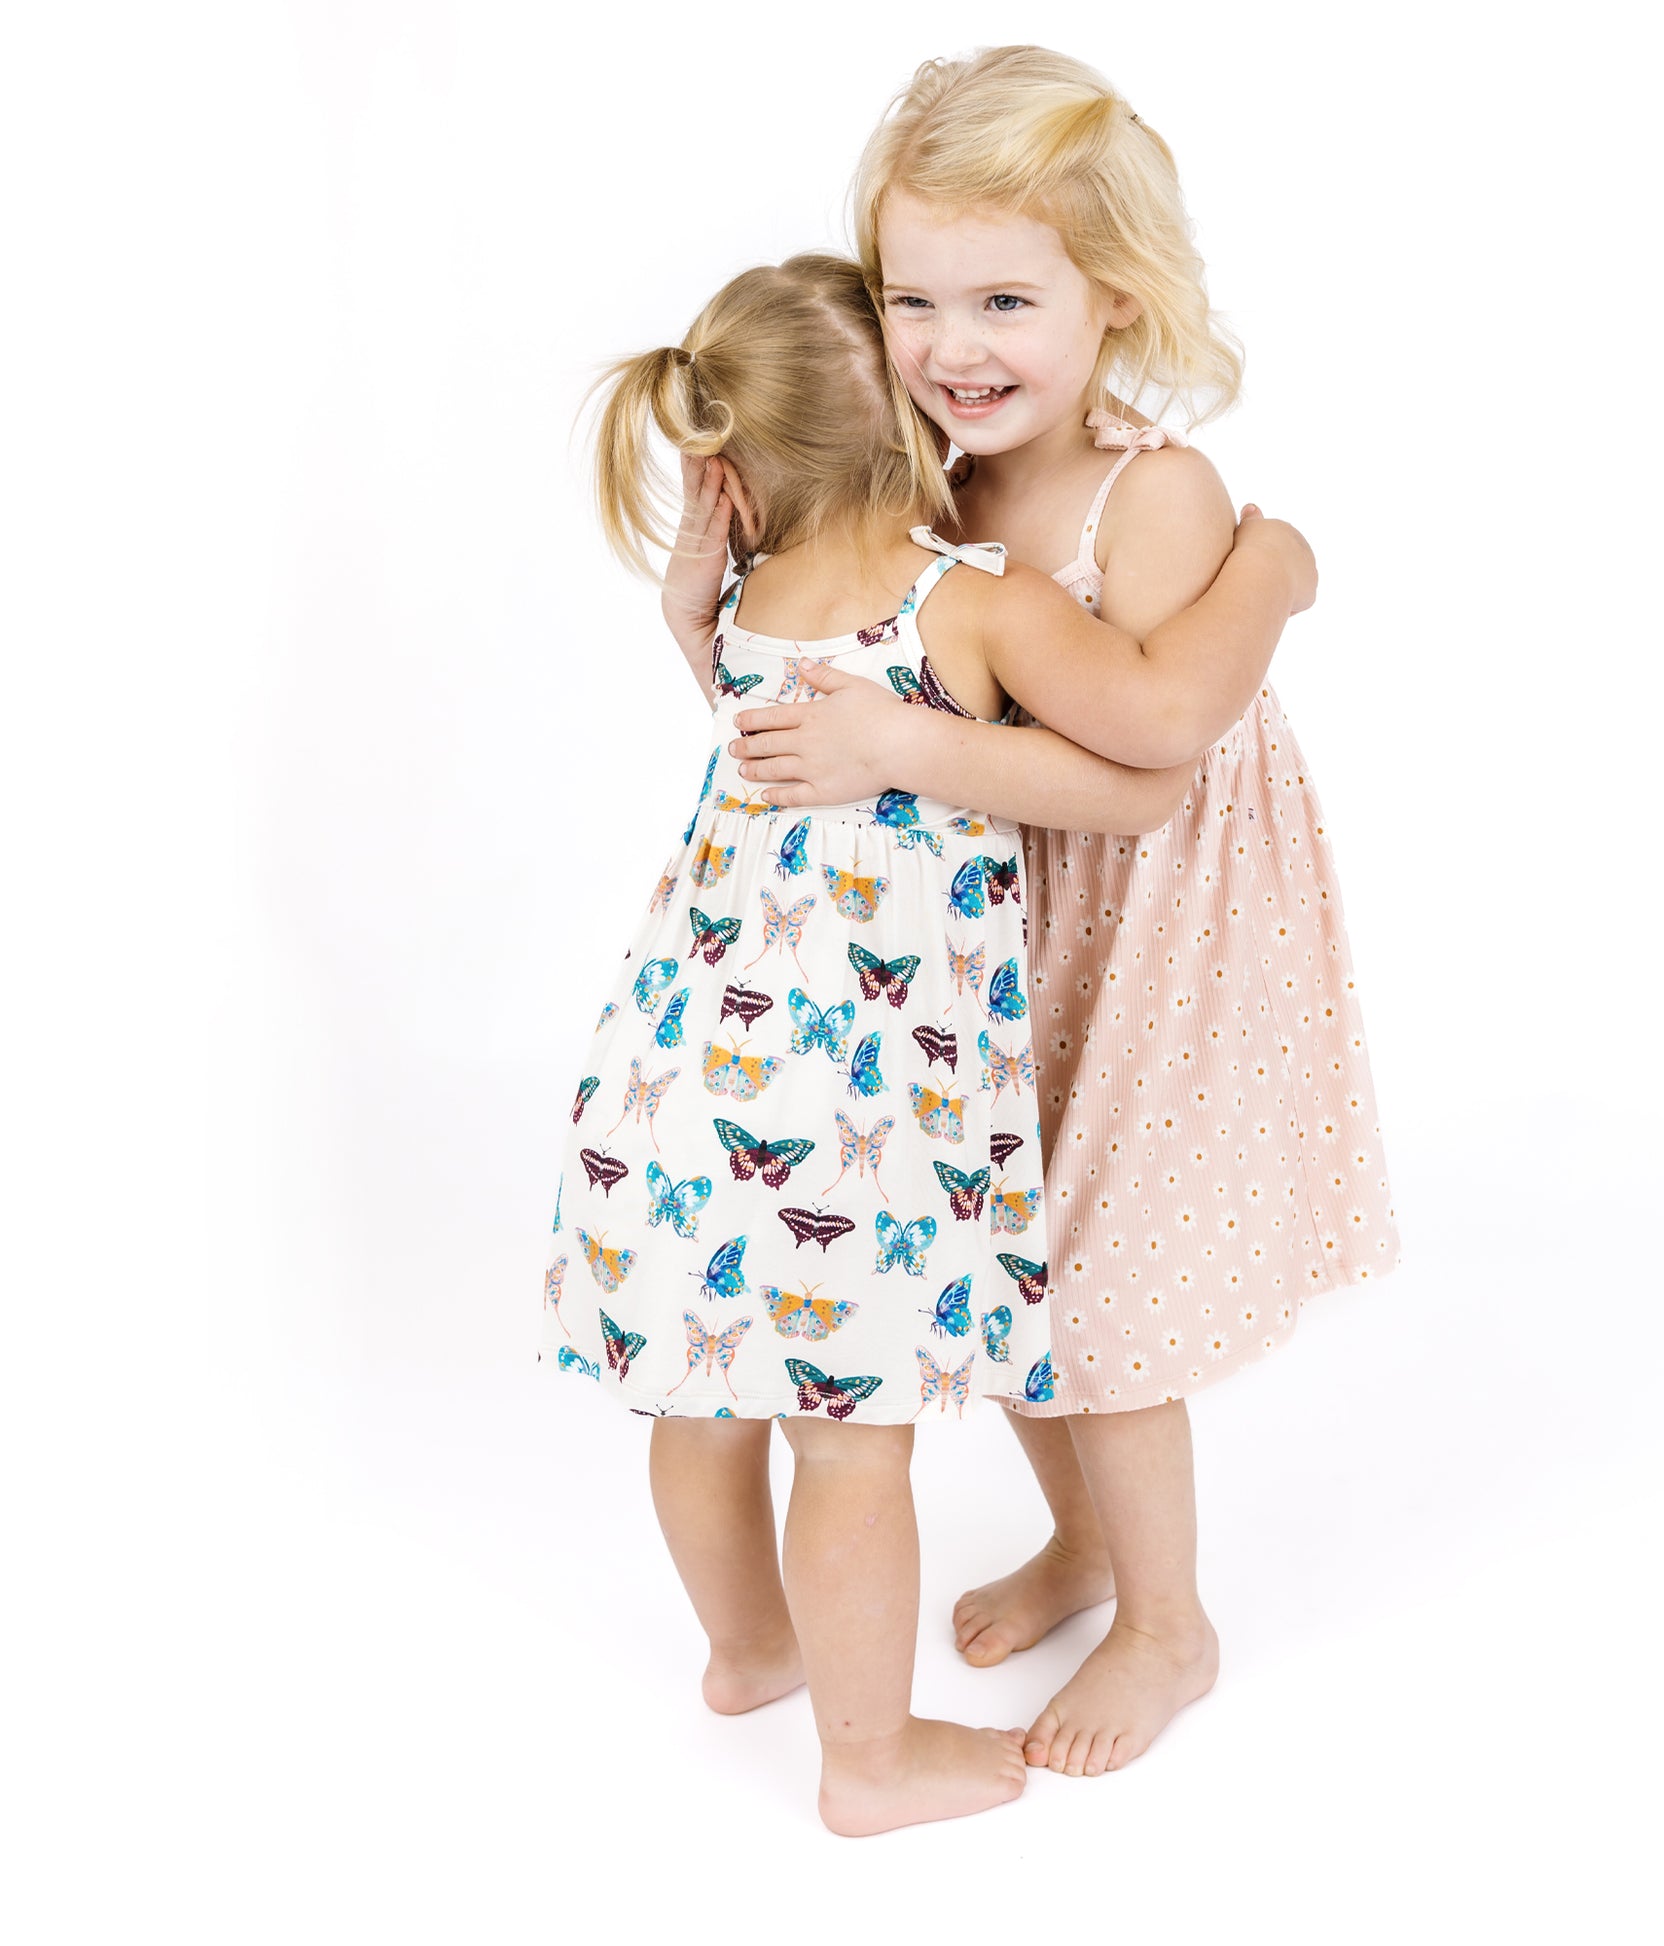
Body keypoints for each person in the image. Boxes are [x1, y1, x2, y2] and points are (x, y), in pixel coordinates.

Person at [688, 47, 1403, 1784]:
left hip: (1152, 935)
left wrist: (1270, 567)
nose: (954, 345)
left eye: (1005, 299)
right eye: (912, 298)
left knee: (1108, 1290)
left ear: (1114, 300)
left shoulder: (1151, 495)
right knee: (998, 1259)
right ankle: (1083, 1541)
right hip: (984, 938)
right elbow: (808, 701)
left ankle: (1168, 1621)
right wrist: (702, 617)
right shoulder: (916, 488)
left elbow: (1159, 738)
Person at [547, 251, 1313, 1832]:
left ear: (739, 458)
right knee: (847, 1449)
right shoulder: (970, 601)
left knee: (700, 1407)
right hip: (850, 1107)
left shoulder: (745, 607)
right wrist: (1273, 569)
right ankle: (870, 1761)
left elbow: (752, 728)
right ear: (909, 423)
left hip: (673, 1078)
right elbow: (1141, 778)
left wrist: (686, 605)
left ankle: (747, 1650)